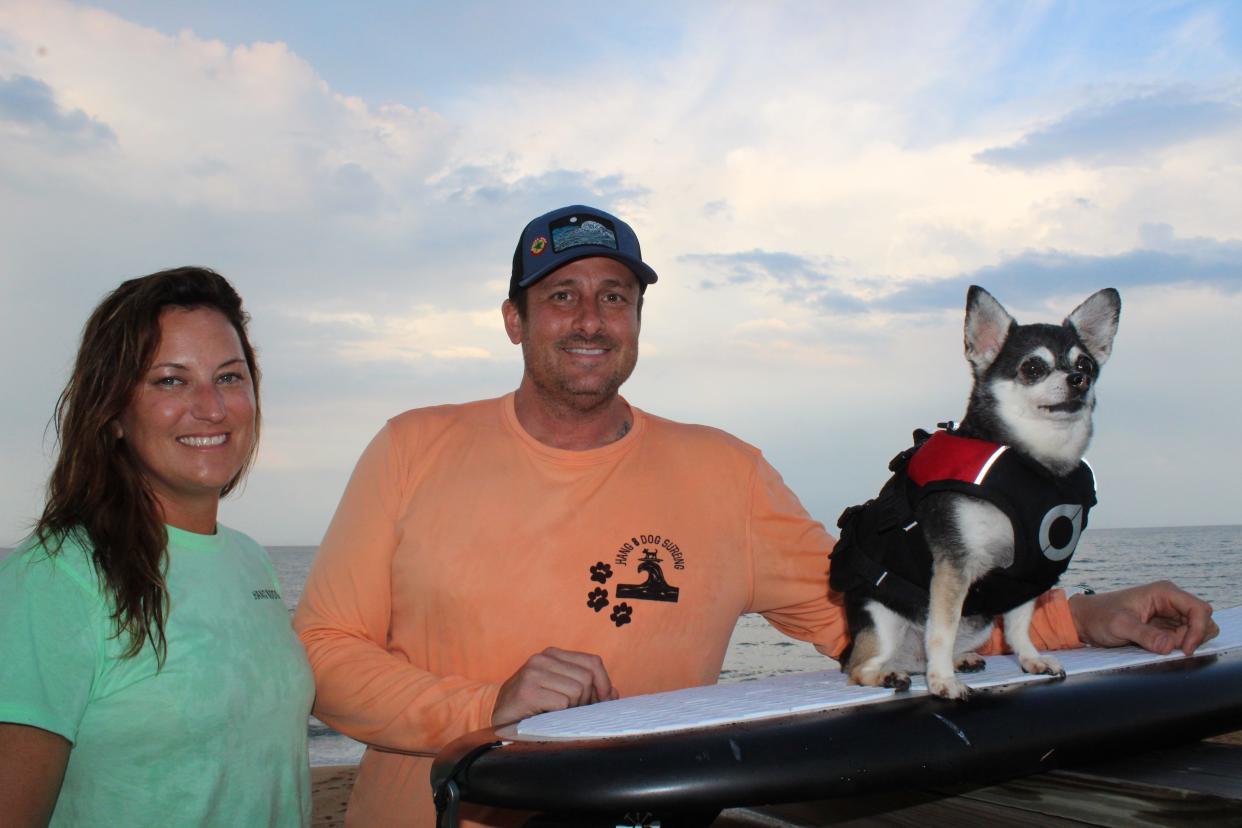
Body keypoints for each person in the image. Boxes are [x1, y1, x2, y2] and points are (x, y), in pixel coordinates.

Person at [294, 205, 1216, 827]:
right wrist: (484, 708)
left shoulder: (723, 473)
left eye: (614, 296)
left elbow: (871, 608)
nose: (589, 318)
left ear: (639, 319)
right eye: (560, 296)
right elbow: (325, 651)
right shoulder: (412, 446)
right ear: (513, 318)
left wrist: (1087, 618)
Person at [0, 267, 314, 827]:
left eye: (230, 377)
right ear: (114, 411)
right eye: (171, 380)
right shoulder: (54, 578)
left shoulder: (250, 561)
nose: (211, 408)